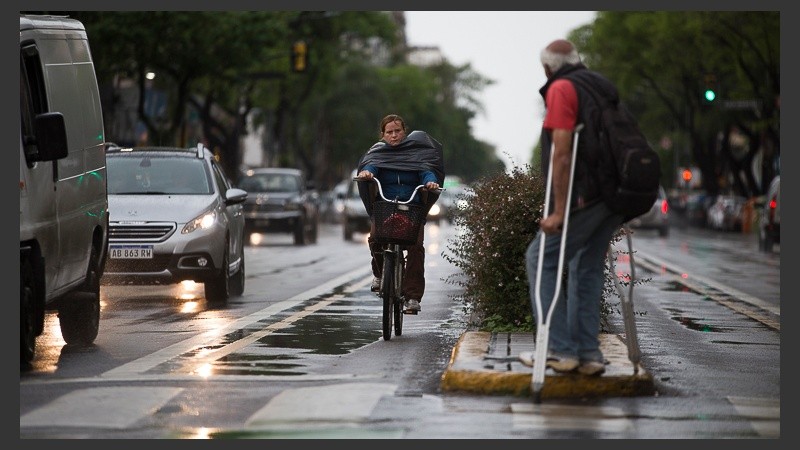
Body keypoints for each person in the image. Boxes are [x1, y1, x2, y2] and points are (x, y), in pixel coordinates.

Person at [522, 39, 624, 376]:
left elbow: (562, 153)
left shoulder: (562, 88)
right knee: (586, 266)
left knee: (540, 258)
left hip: (586, 196)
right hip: (614, 196)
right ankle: (588, 354)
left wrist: (560, 211)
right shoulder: (599, 85)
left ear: (547, 68)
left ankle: (560, 350)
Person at [356, 114, 443, 313]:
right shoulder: (377, 154)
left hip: (411, 208)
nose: (394, 136)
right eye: (389, 132)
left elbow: (426, 170)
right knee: (375, 239)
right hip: (385, 206)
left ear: (404, 132)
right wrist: (367, 173)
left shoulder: (416, 154)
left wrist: (431, 181)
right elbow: (371, 166)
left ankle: (412, 297)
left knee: (416, 248)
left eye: (398, 131)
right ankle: (379, 274)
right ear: (383, 134)